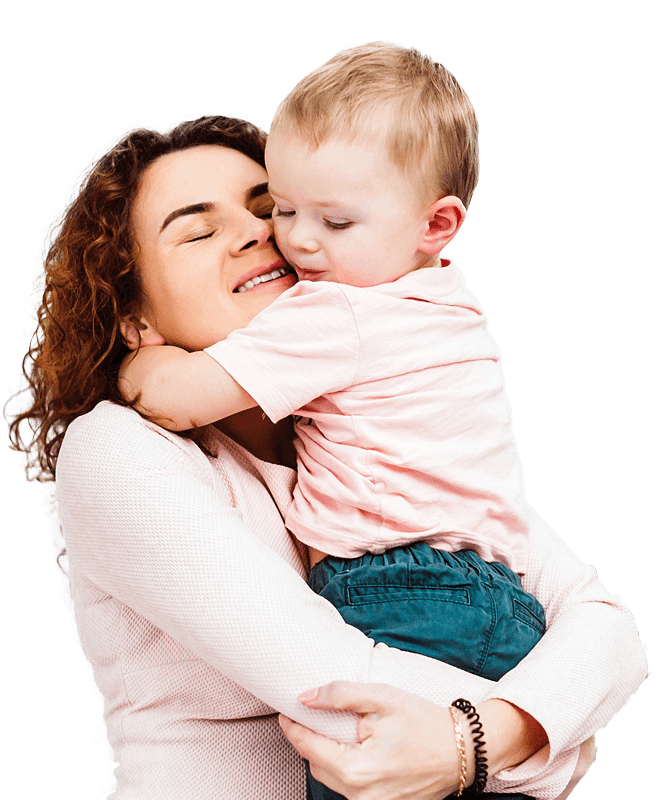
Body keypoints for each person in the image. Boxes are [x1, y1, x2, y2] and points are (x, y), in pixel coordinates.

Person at [5, 110, 647, 800]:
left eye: (270, 210)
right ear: (135, 319)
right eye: (199, 231)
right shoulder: (115, 450)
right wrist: (549, 739)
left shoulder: (375, 431)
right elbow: (336, 685)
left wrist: (478, 743)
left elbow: (605, 626)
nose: (257, 233)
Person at [118, 41, 548, 800]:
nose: (292, 239)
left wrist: (140, 366)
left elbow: (175, 396)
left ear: (437, 223)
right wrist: (535, 733)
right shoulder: (443, 301)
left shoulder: (337, 313)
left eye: (331, 219)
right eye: (286, 209)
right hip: (499, 602)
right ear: (129, 308)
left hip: (403, 593)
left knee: (365, 771)